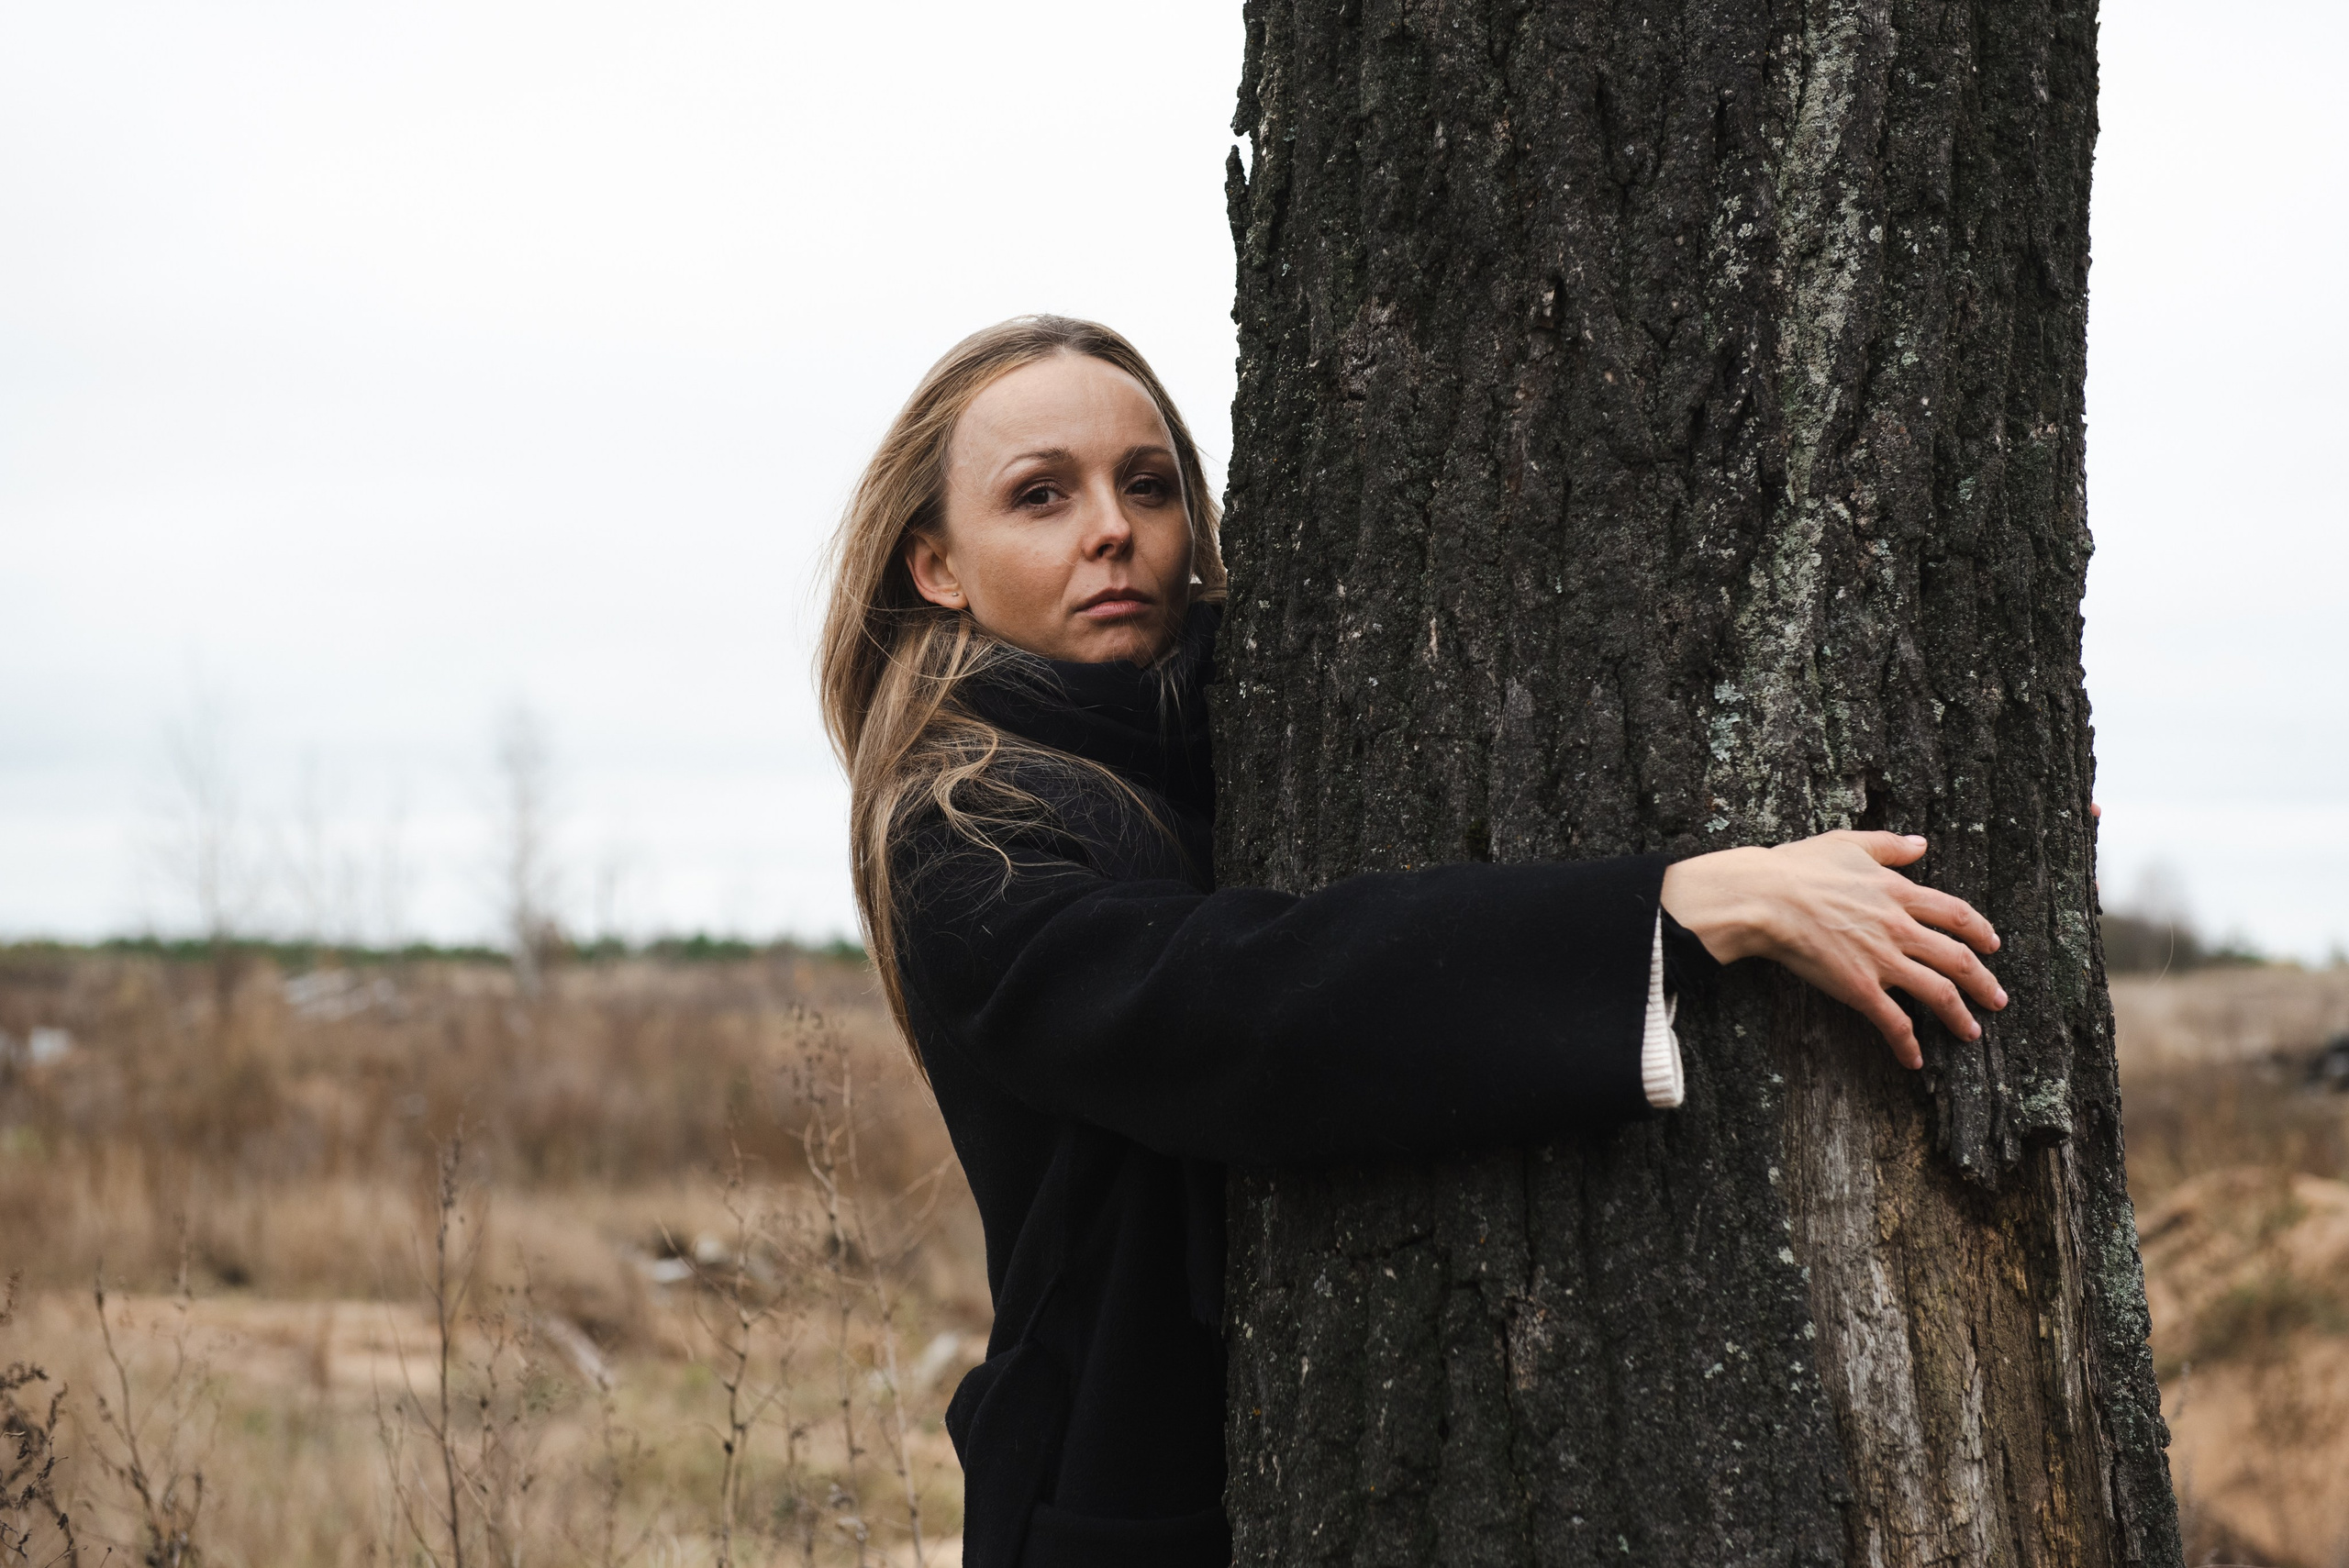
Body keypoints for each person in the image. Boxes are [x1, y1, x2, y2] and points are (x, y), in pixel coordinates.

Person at [817, 317, 2007, 1568]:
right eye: (1041, 495)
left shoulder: (1264, 714)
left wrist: (1973, 829)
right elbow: (1240, 1006)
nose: (1113, 526)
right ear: (938, 565)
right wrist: (1674, 909)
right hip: (1123, 1505)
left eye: (1149, 484)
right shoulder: (964, 833)